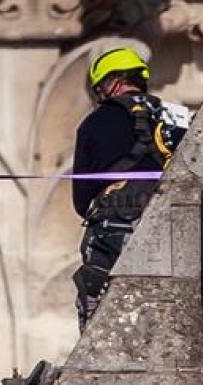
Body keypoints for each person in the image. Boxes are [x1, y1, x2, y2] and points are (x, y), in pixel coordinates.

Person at [72, 45, 190, 330]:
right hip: (176, 221)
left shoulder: (94, 123)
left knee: (98, 311)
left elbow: (80, 199)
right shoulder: (177, 117)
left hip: (115, 223)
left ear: (110, 83)